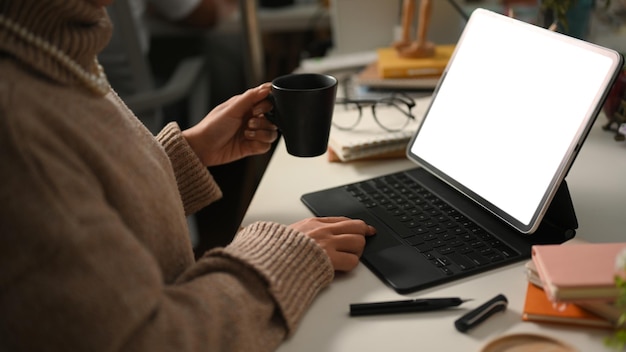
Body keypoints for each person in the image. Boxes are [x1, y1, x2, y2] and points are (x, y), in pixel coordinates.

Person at [0, 0, 376, 351]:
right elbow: (148, 339)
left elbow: (80, 201)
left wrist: (184, 156)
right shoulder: (17, 122)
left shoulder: (52, 43)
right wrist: (282, 257)